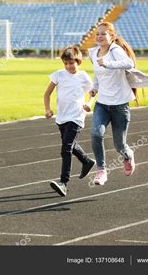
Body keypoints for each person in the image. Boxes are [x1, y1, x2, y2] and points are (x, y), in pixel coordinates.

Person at [88, 22, 137, 186]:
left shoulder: (115, 50)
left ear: (112, 36)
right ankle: (101, 170)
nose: (99, 37)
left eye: (103, 34)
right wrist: (94, 88)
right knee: (96, 133)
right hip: (102, 104)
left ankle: (127, 155)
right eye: (97, 34)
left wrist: (108, 64)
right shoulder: (93, 53)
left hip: (120, 106)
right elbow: (98, 74)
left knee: (119, 145)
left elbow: (129, 63)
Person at [44, 46, 96, 197]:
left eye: (71, 63)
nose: (68, 66)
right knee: (71, 146)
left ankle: (63, 183)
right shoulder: (58, 75)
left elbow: (92, 93)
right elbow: (47, 94)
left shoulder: (83, 76)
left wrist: (89, 104)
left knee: (66, 148)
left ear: (78, 61)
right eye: (66, 63)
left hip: (76, 117)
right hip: (61, 117)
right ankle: (86, 161)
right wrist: (47, 109)